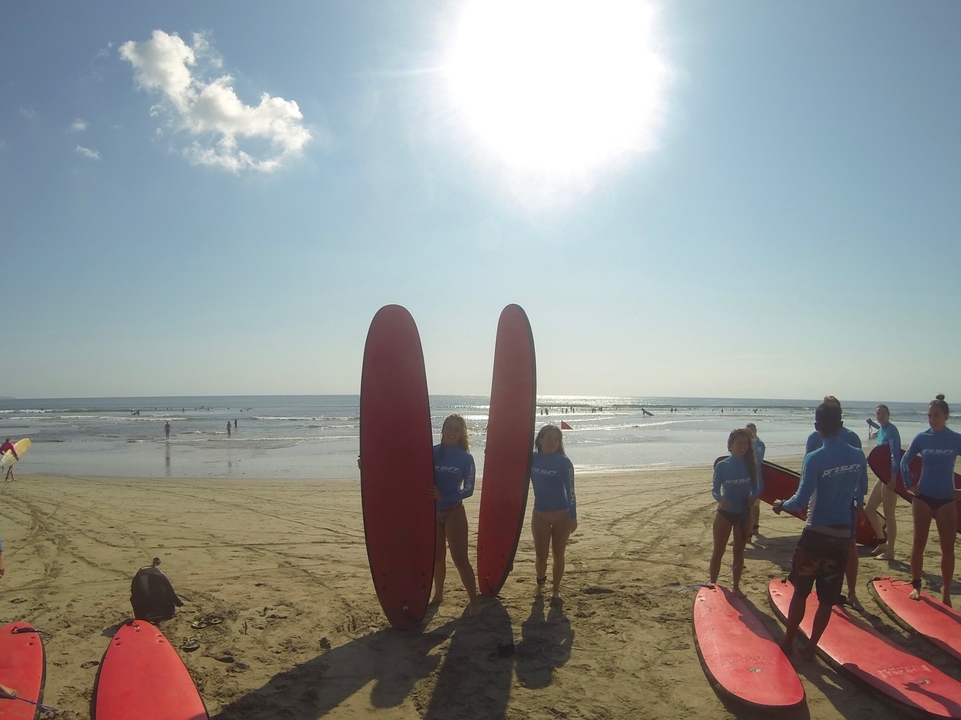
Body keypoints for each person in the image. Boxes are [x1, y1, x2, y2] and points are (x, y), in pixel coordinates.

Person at [774, 402, 868, 658]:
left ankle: (788, 641)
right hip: (841, 536)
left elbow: (800, 499)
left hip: (815, 535)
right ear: (841, 423)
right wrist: (857, 503)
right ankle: (812, 646)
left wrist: (781, 505)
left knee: (801, 592)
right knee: (827, 598)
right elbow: (862, 488)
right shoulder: (858, 455)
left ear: (817, 427)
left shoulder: (814, 458)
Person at [804, 396, 865, 609]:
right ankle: (823, 592)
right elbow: (807, 473)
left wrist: (860, 501)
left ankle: (852, 592)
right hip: (819, 504)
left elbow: (859, 475)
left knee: (850, 548)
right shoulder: (813, 438)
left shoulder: (852, 438)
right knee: (819, 550)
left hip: (845, 503)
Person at [901, 394, 961, 606]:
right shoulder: (921, 438)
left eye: (936, 415)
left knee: (947, 548)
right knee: (919, 542)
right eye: (929, 415)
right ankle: (916, 586)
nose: (932, 419)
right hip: (923, 497)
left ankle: (946, 592)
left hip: (946, 499)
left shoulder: (956, 439)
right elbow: (904, 462)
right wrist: (908, 484)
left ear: (946, 416)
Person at [428, 414, 479, 615]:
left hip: (454, 511)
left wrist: (445, 496)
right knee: (437, 558)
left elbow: (469, 488)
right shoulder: (431, 453)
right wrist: (368, 465)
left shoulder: (466, 458)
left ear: (461, 433)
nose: (452, 432)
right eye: (449, 427)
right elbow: (406, 467)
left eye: (457, 429)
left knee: (460, 558)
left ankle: (474, 602)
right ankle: (438, 594)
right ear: (442, 429)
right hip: (432, 512)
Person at [530, 425, 577, 606]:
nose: (552, 442)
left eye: (556, 439)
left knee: (558, 554)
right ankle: (540, 584)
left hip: (562, 515)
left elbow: (571, 491)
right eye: (548, 438)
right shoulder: (531, 459)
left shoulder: (564, 462)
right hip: (540, 513)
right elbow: (510, 465)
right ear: (540, 440)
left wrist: (573, 516)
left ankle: (556, 590)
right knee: (541, 556)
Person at [709, 428, 760, 597]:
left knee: (739, 551)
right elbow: (715, 489)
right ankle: (713, 584)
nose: (743, 446)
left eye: (746, 443)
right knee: (719, 551)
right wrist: (720, 499)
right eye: (739, 442)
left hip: (744, 514)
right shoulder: (723, 465)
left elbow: (757, 487)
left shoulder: (751, 464)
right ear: (730, 445)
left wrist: (754, 496)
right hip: (725, 513)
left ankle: (736, 587)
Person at [866, 404, 901, 560]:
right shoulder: (880, 431)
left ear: (888, 414)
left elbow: (895, 455)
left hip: (890, 479)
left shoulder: (892, 430)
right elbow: (881, 455)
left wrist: (894, 479)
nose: (880, 416)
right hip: (882, 477)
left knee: (889, 515)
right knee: (869, 509)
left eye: (883, 413)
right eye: (878, 413)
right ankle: (882, 542)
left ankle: (890, 551)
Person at [746, 423, 765, 540]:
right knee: (751, 505)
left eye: (751, 431)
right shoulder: (745, 444)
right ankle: (750, 530)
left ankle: (752, 529)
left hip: (755, 478)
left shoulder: (759, 444)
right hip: (748, 478)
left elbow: (758, 462)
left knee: (754, 505)